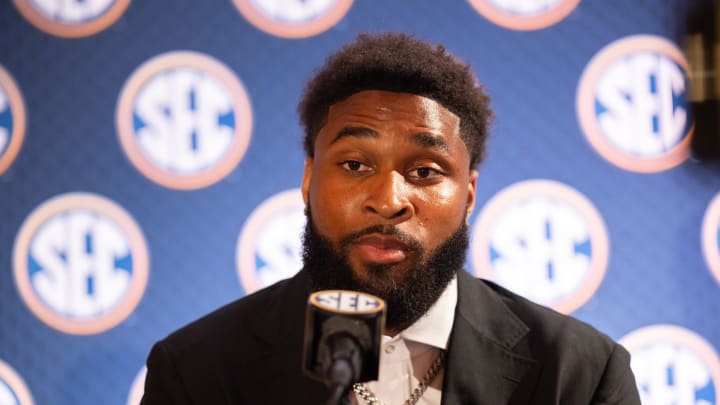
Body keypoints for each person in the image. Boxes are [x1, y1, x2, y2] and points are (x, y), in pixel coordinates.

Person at [140, 33, 641, 405]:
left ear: (468, 195)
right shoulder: (198, 371)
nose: (388, 199)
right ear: (309, 179)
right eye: (355, 165)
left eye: (424, 170)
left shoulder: (578, 375)